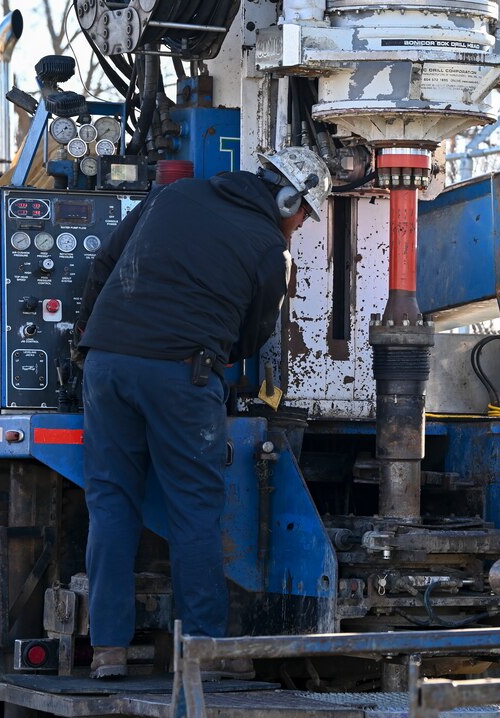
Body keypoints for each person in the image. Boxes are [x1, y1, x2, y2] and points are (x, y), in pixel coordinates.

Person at [76, 147, 332, 679]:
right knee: (193, 509)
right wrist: (211, 362)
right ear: (287, 198)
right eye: (304, 212)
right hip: (181, 375)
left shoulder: (175, 193)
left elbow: (103, 264)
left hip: (105, 366)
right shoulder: (269, 249)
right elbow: (254, 335)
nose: (303, 223)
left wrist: (93, 343)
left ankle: (108, 651)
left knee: (110, 505)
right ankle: (203, 648)